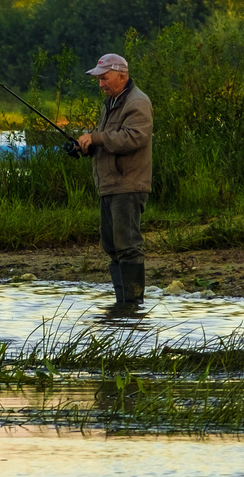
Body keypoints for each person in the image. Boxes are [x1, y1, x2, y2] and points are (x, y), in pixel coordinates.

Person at [76, 53, 153, 306]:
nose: (101, 84)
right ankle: (123, 304)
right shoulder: (110, 103)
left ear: (122, 76)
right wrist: (88, 146)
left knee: (128, 246)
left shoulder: (137, 102)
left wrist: (96, 138)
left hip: (128, 185)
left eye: (104, 78)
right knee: (112, 246)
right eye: (99, 79)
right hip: (109, 186)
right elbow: (110, 138)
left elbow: (134, 138)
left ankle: (132, 304)